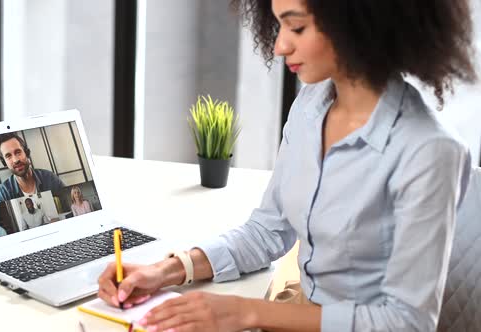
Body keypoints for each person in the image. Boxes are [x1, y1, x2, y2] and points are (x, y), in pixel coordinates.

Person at [97, 0, 478, 331]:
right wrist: (166, 271)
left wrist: (245, 313)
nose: (279, 45)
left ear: (358, 21)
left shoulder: (428, 151)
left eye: (296, 27)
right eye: (279, 25)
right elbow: (267, 231)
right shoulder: (312, 105)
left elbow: (405, 323)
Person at [0, 133, 65, 203]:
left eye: (18, 152)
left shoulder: (50, 178)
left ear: (26, 153)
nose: (16, 160)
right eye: (8, 156)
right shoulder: (4, 193)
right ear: (4, 162)